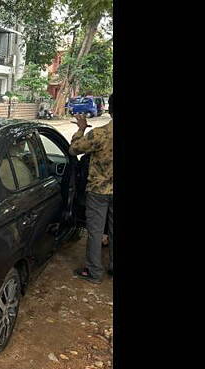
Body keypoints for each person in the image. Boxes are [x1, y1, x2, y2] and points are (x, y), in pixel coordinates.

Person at [69, 93, 113, 284]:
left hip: (99, 191)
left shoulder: (99, 134)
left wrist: (81, 129)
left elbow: (74, 150)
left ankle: (94, 273)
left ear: (110, 110)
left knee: (95, 232)